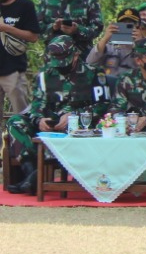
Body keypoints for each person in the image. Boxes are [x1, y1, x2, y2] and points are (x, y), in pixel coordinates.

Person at [5, 35, 110, 193]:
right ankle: (31, 173)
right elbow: (37, 105)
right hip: (50, 124)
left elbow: (104, 105)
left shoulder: (94, 73)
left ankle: (32, 180)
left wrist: (75, 116)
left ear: (75, 55)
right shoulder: (45, 75)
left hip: (78, 127)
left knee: (83, 127)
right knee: (15, 122)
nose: (60, 66)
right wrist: (39, 120)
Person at [35, 0, 103, 56]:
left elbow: (97, 28)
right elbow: (37, 29)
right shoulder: (46, 0)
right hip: (54, 57)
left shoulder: (89, 0)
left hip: (81, 56)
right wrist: (53, 28)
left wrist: (78, 30)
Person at [0, 0, 41, 117]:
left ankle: (20, 141)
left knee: (22, 117)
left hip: (13, 71)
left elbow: (33, 37)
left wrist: (7, 28)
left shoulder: (25, 5)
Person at [86, 7, 146, 76]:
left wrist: (139, 43)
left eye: (131, 23)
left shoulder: (145, 47)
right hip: (109, 84)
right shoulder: (109, 46)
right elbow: (90, 62)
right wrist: (104, 39)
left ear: (139, 26)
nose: (126, 26)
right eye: (123, 23)